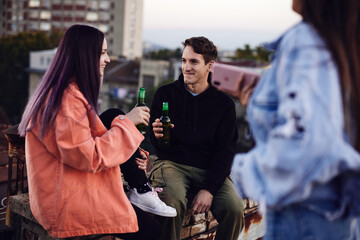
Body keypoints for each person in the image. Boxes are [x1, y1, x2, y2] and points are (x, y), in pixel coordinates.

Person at [18, 24, 175, 240]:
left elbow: (89, 139)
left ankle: (140, 188)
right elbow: (89, 156)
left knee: (113, 115)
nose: (108, 59)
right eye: (102, 53)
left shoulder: (64, 92)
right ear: (84, 56)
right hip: (68, 201)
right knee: (152, 231)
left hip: (69, 187)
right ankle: (140, 190)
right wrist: (128, 123)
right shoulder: (66, 101)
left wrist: (130, 151)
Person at [228, 0, 360, 239]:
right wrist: (263, 105)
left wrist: (241, 171)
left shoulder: (307, 42)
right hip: (338, 219)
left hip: (303, 220)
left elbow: (309, 146)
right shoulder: (343, 43)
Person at [149, 36, 244, 240]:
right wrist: (157, 134)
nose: (186, 67)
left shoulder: (223, 104)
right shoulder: (165, 94)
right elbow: (158, 145)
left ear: (210, 65)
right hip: (172, 164)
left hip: (207, 168)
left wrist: (208, 189)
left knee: (234, 208)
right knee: (170, 204)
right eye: (184, 61)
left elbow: (225, 151)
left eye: (194, 61)